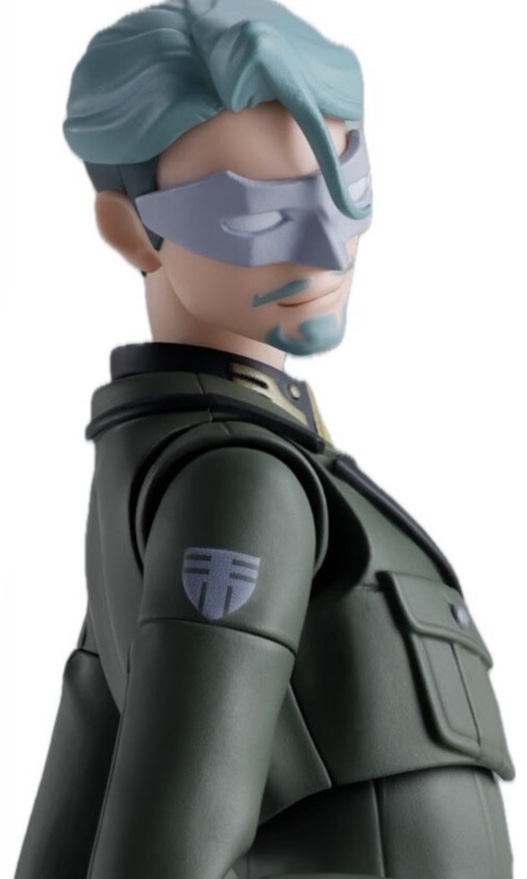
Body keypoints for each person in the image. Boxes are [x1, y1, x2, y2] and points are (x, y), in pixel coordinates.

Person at [14, 2, 515, 878]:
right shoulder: (239, 479)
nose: (327, 248)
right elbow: (162, 844)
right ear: (130, 230)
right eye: (255, 215)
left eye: (344, 184)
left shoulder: (183, 467)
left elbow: (78, 801)